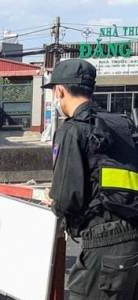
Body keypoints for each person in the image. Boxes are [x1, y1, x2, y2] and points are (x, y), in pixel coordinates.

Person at [41, 59, 138, 299]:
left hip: (105, 244)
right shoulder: (123, 124)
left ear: (60, 90)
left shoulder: (71, 130)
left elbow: (67, 198)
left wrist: (53, 202)